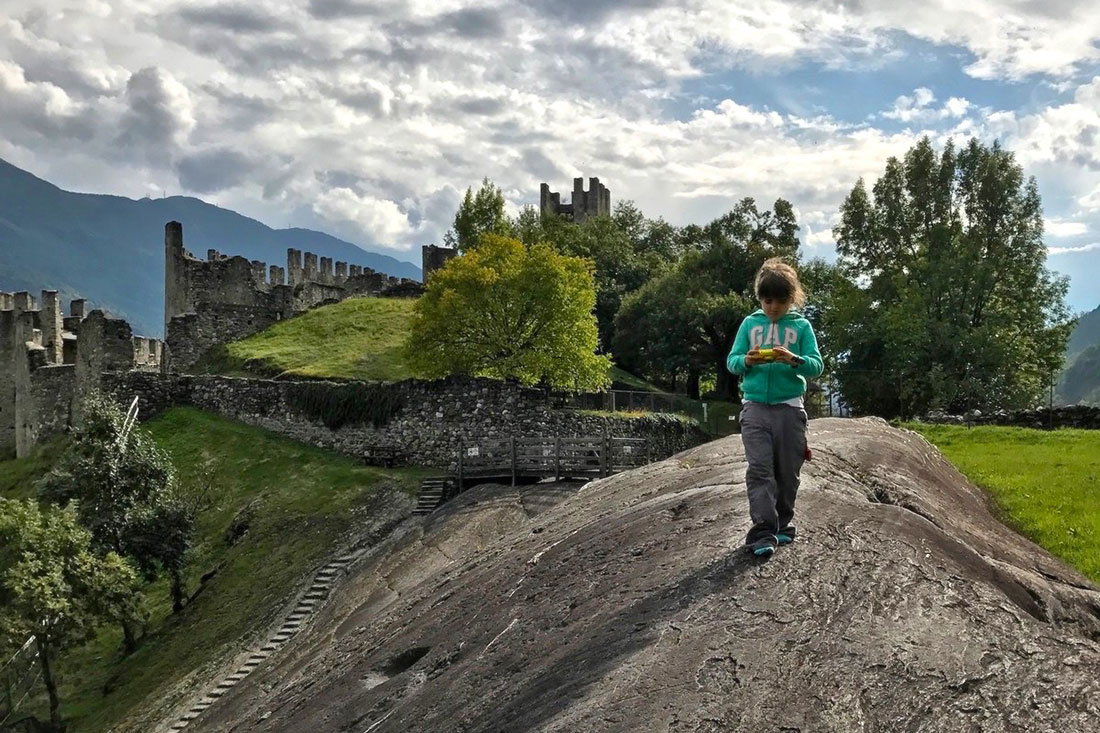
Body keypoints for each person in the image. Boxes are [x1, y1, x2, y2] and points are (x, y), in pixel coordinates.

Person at [726, 258, 823, 557]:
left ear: (791, 299)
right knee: (759, 469)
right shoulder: (749, 323)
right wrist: (747, 361)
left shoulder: (802, 326)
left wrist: (792, 359)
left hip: (790, 408)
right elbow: (732, 362)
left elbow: (816, 366)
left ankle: (783, 524)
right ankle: (763, 531)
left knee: (786, 473)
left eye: (779, 301)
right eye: (767, 301)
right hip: (754, 407)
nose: (772, 308)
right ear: (760, 298)